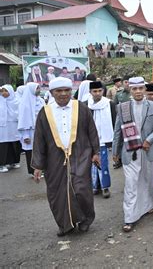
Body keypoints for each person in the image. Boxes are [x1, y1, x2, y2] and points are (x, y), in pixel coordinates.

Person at [32, 77, 100, 236]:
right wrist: (37, 166)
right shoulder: (45, 112)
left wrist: (96, 152)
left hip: (81, 154)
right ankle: (65, 225)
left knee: (81, 189)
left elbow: (92, 131)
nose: (63, 94)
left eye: (66, 90)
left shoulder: (81, 108)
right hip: (54, 159)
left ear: (71, 91)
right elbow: (39, 140)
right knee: (58, 193)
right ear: (51, 93)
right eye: (59, 91)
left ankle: (85, 220)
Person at [112, 77, 153, 232]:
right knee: (131, 184)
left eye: (140, 88)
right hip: (130, 151)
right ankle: (129, 218)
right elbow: (118, 131)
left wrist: (149, 140)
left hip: (148, 151)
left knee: (148, 180)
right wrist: (115, 151)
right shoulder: (123, 107)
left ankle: (148, 206)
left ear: (144, 89)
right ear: (130, 90)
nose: (138, 92)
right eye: (134, 89)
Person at [88, 81, 116, 198]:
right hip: (90, 140)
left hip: (104, 139)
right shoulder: (86, 105)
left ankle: (105, 187)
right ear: (90, 92)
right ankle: (94, 186)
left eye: (100, 91)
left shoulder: (110, 104)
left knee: (103, 163)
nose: (97, 93)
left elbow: (115, 121)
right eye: (95, 91)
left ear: (103, 91)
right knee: (92, 164)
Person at [17, 82, 44, 176]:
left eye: (39, 88)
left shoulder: (40, 100)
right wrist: (25, 136)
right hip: (30, 131)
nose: (39, 90)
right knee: (31, 151)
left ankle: (41, 168)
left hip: (41, 129)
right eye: (37, 88)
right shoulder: (25, 104)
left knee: (42, 149)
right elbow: (23, 121)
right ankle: (33, 171)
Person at [0, 85, 21, 173]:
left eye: (6, 91)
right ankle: (2, 164)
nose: (4, 93)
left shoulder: (16, 101)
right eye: (2, 91)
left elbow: (19, 113)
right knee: (3, 144)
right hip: (2, 126)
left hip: (14, 125)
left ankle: (14, 161)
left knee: (15, 143)